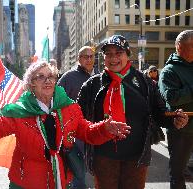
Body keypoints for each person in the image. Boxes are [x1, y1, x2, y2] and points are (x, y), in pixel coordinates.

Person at [0, 61, 131, 189]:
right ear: (31, 84)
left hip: (62, 179)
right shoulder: (19, 111)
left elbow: (86, 132)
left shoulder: (69, 106)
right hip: (26, 182)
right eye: (41, 77)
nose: (48, 81)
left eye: (51, 76)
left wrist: (104, 128)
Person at [77, 35, 189, 189]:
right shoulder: (92, 85)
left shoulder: (145, 82)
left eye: (118, 52)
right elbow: (79, 119)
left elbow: (159, 114)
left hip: (136, 157)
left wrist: (174, 120)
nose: (113, 57)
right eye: (108, 53)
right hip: (103, 157)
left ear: (127, 54)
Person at [58, 45, 98, 188]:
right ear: (79, 59)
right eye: (85, 57)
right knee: (78, 169)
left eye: (91, 56)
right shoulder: (69, 77)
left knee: (95, 167)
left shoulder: (99, 76)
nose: (88, 59)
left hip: (95, 129)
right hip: (76, 131)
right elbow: (57, 100)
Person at [158, 30, 193, 189]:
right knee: (178, 174)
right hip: (181, 131)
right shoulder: (169, 71)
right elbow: (171, 97)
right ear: (179, 47)